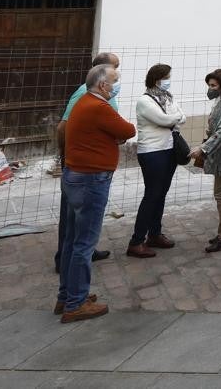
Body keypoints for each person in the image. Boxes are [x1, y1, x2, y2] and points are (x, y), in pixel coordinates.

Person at [57, 64, 135, 322]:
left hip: (74, 174)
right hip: (91, 178)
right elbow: (127, 130)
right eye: (115, 80)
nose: (117, 85)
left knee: (71, 239)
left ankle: (67, 295)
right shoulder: (99, 106)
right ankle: (75, 304)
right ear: (103, 85)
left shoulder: (83, 102)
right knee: (84, 243)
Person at [54, 52, 119, 274]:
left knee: (83, 221)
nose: (118, 74)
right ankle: (64, 260)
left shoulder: (104, 93)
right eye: (115, 68)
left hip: (94, 165)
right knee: (71, 216)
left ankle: (83, 254)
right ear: (102, 73)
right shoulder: (84, 93)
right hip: (82, 167)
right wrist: (66, 157)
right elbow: (63, 126)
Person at [126, 64, 186, 258]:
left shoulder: (168, 97)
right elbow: (165, 120)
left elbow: (181, 117)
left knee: (161, 194)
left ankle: (155, 234)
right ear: (156, 79)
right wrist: (174, 117)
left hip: (169, 150)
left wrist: (174, 117)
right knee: (152, 195)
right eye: (166, 77)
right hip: (152, 152)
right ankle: (136, 241)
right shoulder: (145, 101)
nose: (169, 80)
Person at [191, 69, 221, 252]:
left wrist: (203, 148)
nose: (210, 89)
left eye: (214, 85)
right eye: (209, 85)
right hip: (220, 155)